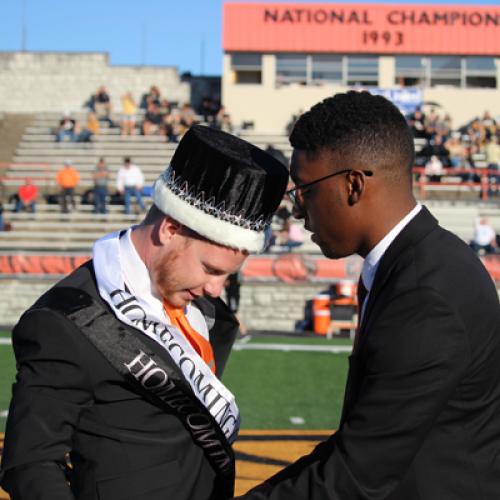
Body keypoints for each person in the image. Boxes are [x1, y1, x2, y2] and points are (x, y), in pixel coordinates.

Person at [0, 124, 289, 500]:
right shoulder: (63, 322)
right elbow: (29, 462)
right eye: (210, 269)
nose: (216, 290)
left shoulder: (201, 304)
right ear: (170, 228)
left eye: (226, 275)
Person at [236, 91, 500, 499]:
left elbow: (357, 474)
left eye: (304, 189)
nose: (297, 208)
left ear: (354, 185)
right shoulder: (414, 263)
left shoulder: (425, 294)